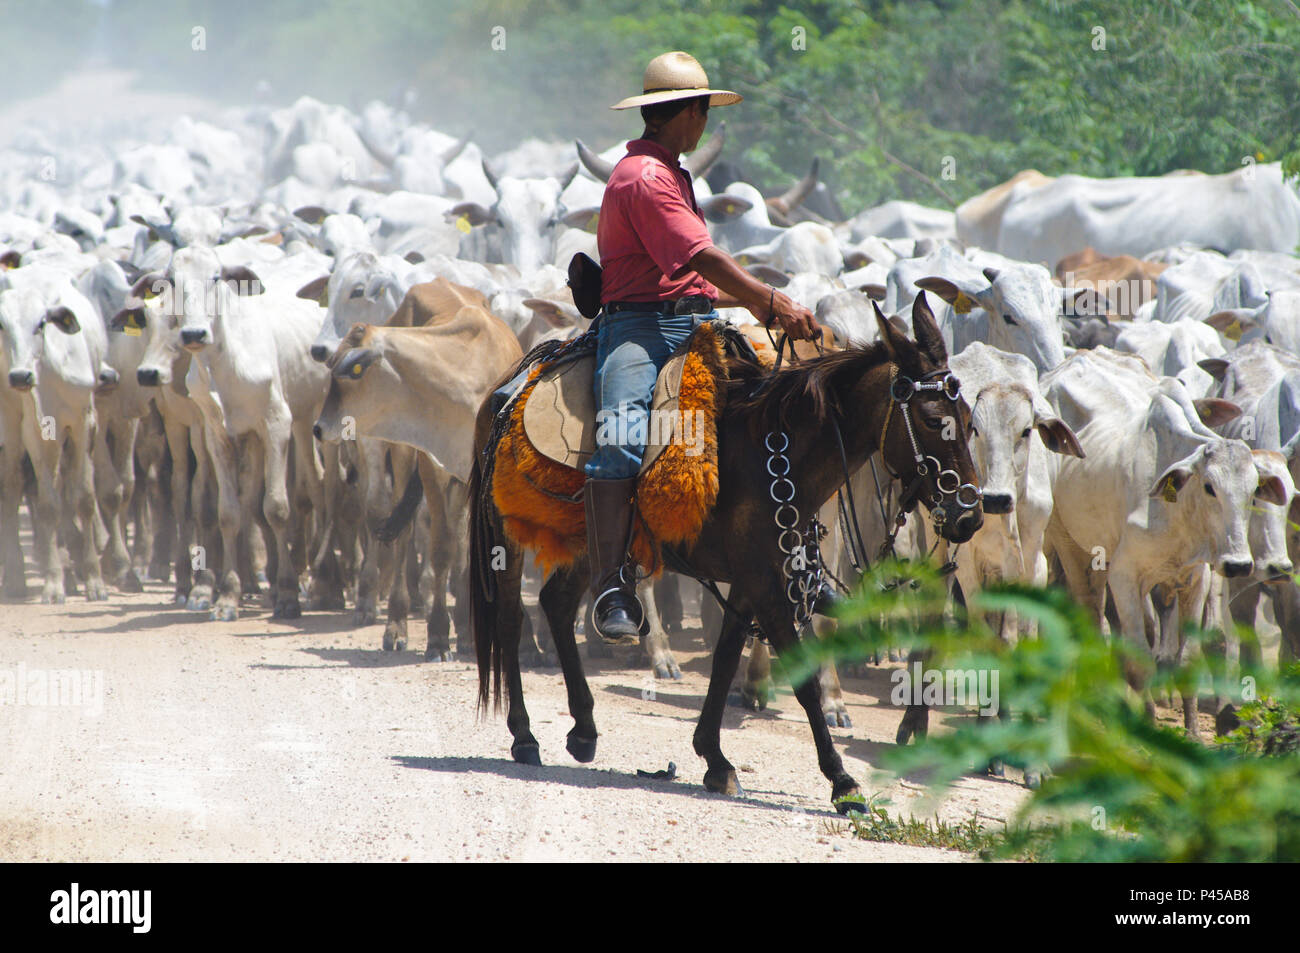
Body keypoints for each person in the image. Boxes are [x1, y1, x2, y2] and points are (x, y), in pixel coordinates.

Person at [585, 50, 821, 643]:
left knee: (783, 409)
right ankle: (612, 584)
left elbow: (693, 277)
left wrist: (732, 305)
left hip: (692, 323)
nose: (706, 122)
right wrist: (771, 302)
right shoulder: (644, 177)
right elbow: (701, 257)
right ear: (682, 113)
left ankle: (798, 562)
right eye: (703, 111)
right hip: (637, 329)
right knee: (620, 437)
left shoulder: (670, 172)